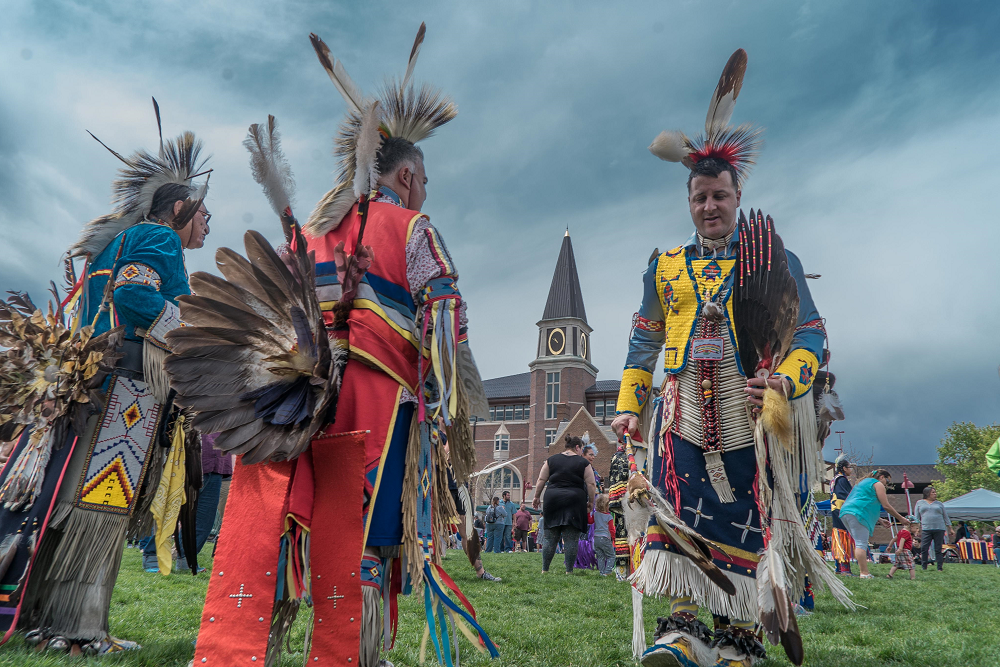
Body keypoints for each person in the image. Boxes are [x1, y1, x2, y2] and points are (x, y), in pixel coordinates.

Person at [187, 26, 497, 667]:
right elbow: (446, 316)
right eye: (425, 181)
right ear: (406, 176)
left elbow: (271, 301)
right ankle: (355, 652)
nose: (424, 193)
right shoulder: (413, 227)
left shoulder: (312, 231)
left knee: (288, 518)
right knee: (363, 532)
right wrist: (443, 404)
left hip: (295, 403)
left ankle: (258, 645)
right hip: (376, 405)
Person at [611, 49, 851, 667]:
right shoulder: (665, 266)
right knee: (679, 507)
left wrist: (781, 383)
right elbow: (643, 339)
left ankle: (738, 635)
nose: (709, 206)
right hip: (683, 408)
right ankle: (682, 628)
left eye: (718, 195)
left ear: (737, 194)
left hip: (750, 412)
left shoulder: (772, 257)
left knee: (741, 515)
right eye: (699, 197)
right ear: (688, 201)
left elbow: (812, 335)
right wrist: (628, 408)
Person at [0, 116, 211, 653]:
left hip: (94, 380)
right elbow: (136, 299)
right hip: (130, 383)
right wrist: (196, 333)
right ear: (180, 211)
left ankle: (42, 618)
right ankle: (79, 628)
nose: (208, 225)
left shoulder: (116, 245)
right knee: (104, 502)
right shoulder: (159, 238)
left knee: (71, 499)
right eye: (204, 214)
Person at [532, 435, 597, 574]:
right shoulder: (583, 463)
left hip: (552, 498)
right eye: (581, 450)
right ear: (578, 447)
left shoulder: (551, 460)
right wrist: (591, 501)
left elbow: (541, 479)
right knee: (571, 538)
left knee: (550, 538)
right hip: (574, 500)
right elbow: (591, 483)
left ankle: (545, 570)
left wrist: (536, 497)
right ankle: (569, 571)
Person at [838, 469, 909, 579]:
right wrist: (901, 519)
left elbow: (862, 501)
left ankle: (863, 571)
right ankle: (864, 573)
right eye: (887, 481)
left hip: (845, 513)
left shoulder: (862, 483)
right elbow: (886, 506)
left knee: (859, 542)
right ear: (881, 477)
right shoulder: (877, 484)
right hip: (857, 513)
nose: (886, 484)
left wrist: (880, 519)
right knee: (861, 543)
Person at [915, 485, 953, 571]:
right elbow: (917, 517)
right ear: (927, 493)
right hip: (926, 529)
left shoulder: (939, 504)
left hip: (939, 528)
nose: (935, 494)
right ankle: (924, 566)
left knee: (938, 548)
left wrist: (950, 527)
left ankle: (939, 567)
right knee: (924, 548)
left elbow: (945, 516)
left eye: (935, 492)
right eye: (933, 492)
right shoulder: (920, 503)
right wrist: (917, 528)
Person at [830, 455, 856, 576]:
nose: (851, 469)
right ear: (844, 468)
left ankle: (839, 568)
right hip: (841, 512)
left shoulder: (835, 479)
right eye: (849, 467)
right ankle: (844, 569)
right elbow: (844, 496)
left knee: (839, 538)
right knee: (842, 538)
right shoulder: (842, 480)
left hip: (836, 512)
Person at [593, 494, 615, 576]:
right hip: (605, 538)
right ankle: (608, 571)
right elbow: (611, 529)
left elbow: (591, 521)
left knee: (600, 556)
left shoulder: (595, 514)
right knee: (611, 556)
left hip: (596, 538)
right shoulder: (609, 517)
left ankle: (601, 572)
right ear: (605, 506)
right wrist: (614, 538)